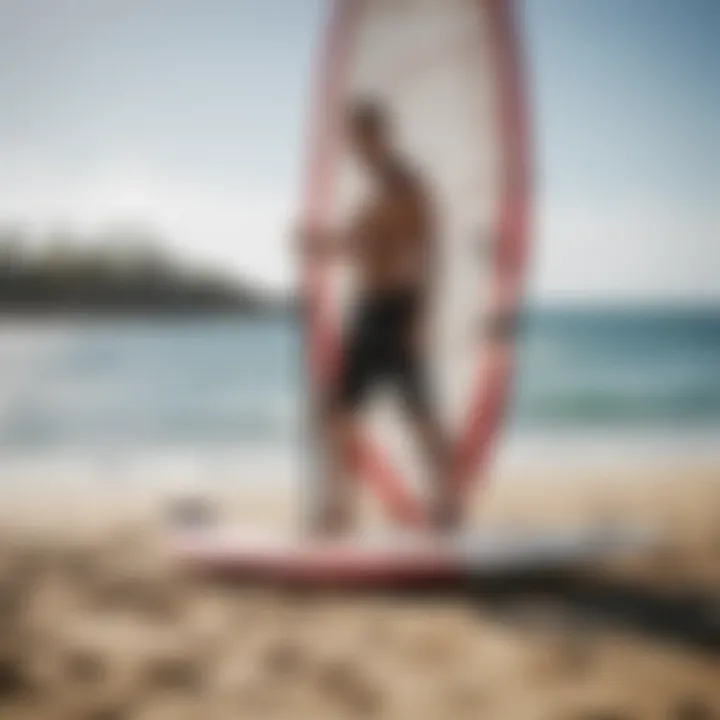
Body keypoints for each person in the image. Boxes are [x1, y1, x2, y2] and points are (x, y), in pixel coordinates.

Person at [300, 99, 455, 535]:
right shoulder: (375, 192)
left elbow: (431, 253)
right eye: (354, 139)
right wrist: (314, 244)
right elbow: (354, 245)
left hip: (397, 309)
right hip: (366, 311)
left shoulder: (408, 186)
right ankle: (339, 509)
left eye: (366, 136)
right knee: (337, 412)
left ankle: (445, 505)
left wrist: (421, 317)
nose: (359, 147)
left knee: (418, 412)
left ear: (383, 135)